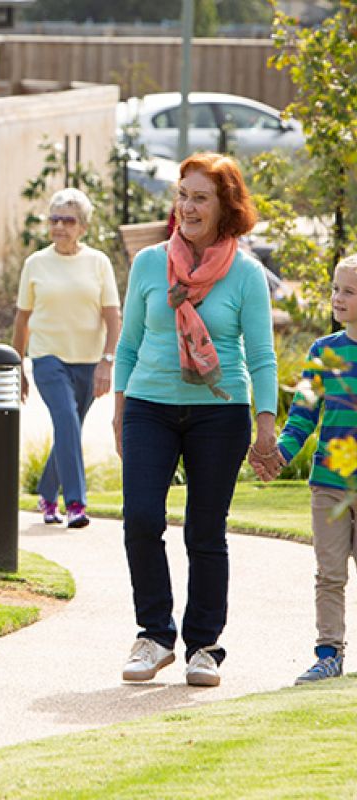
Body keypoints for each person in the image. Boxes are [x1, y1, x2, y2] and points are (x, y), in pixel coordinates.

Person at [114, 152, 277, 687]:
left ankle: (203, 645)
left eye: (200, 197)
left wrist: (265, 424)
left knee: (206, 532)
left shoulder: (247, 275)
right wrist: (119, 410)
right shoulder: (148, 264)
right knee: (140, 518)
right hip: (148, 407)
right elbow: (129, 343)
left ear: (225, 206)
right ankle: (155, 635)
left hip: (220, 412)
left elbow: (261, 355)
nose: (187, 206)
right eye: (182, 194)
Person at [252, 253, 357, 685]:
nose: (337, 297)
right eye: (335, 288)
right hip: (329, 487)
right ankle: (328, 653)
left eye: (348, 291)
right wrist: (278, 453)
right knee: (329, 575)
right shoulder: (324, 353)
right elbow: (302, 416)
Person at [12, 188, 120, 529]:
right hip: (47, 358)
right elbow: (21, 319)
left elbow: (113, 316)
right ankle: (75, 503)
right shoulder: (36, 264)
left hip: (89, 361)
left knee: (68, 429)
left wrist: (107, 360)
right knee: (67, 421)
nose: (59, 227)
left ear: (83, 226)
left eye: (68, 220)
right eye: (54, 219)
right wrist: (18, 368)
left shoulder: (99, 263)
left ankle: (47, 494)